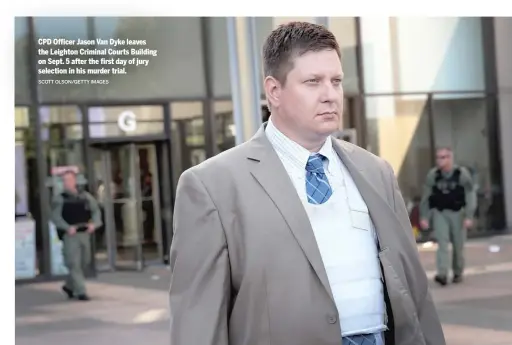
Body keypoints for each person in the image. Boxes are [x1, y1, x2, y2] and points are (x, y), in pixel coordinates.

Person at [170, 22, 445, 345]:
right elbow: (198, 322)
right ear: (274, 91)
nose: (330, 95)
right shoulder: (212, 186)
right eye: (313, 82)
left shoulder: (376, 172)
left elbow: (414, 291)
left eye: (336, 81)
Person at [420, 147, 476, 286]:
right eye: (438, 157)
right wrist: (424, 216)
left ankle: (458, 272)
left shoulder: (461, 174)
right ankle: (442, 274)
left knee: (458, 244)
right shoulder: (433, 175)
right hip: (440, 212)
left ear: (450, 158)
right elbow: (426, 196)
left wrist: (469, 215)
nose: (440, 160)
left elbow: (470, 194)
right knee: (442, 243)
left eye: (444, 157)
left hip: (458, 212)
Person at [51, 170, 102, 301]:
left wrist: (94, 224)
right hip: (71, 236)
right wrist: (67, 228)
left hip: (84, 233)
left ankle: (69, 286)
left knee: (85, 262)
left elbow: (95, 211)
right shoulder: (60, 198)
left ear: (75, 181)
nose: (68, 182)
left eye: (70, 179)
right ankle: (81, 291)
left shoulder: (85, 196)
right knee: (73, 263)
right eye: (65, 180)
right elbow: (55, 217)